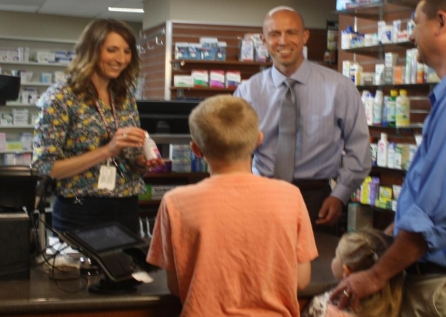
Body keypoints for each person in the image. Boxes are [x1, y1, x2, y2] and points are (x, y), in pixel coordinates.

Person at [331, 0, 446, 316]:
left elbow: (436, 216)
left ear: (441, 22)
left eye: (415, 22)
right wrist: (388, 236)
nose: (410, 33)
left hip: (441, 288)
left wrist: (376, 275)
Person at [147, 95, 318, 317]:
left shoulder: (175, 202)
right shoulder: (290, 196)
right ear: (258, 139)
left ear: (196, 150)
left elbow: (176, 286)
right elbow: (300, 280)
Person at [234, 6, 371, 231]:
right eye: (274, 34)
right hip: (262, 194)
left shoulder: (340, 88)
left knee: (316, 265)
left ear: (305, 36)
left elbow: (359, 147)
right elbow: (236, 150)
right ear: (264, 39)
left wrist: (340, 195)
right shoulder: (247, 91)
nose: (283, 41)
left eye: (291, 32)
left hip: (317, 199)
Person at [32, 19, 163, 234]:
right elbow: (45, 167)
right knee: (83, 269)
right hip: (81, 209)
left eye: (127, 51)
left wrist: (140, 163)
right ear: (91, 51)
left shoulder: (124, 96)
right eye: (112, 50)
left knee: (124, 268)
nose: (121, 59)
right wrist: (107, 151)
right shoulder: (61, 97)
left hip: (126, 205)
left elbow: (128, 158)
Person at [302, 230, 402, 317]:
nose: (333, 258)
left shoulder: (322, 306)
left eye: (336, 255)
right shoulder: (394, 307)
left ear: (347, 271)